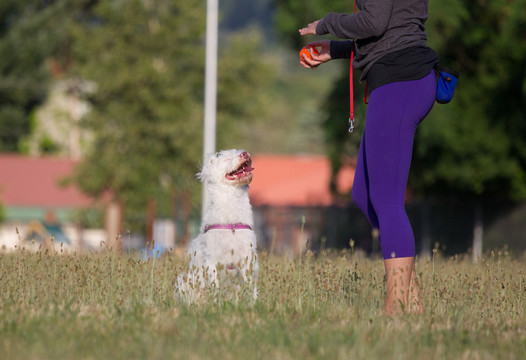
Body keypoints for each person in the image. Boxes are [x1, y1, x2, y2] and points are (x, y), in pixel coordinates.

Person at [299, 0, 438, 315]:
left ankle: (400, 304)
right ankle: (410, 298)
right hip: (399, 78)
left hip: (399, 81)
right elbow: (390, 30)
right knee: (364, 195)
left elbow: (374, 23)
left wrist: (325, 23)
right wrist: (335, 49)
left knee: (387, 201)